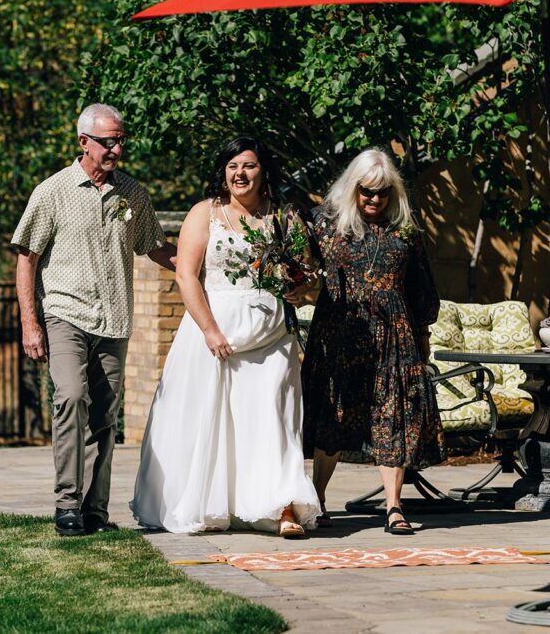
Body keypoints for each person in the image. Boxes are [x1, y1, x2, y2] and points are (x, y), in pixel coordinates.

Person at [130, 137, 321, 537]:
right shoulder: (205, 214)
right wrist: (210, 330)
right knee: (214, 420)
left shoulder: (284, 218)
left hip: (271, 336)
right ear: (223, 173)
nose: (240, 174)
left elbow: (309, 274)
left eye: (249, 166)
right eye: (233, 166)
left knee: (276, 417)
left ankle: (283, 508)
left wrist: (298, 289)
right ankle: (214, 503)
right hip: (215, 334)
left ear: (263, 171)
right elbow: (185, 273)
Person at [12, 103, 177, 536]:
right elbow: (26, 259)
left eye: (121, 140)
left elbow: (153, 246)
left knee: (105, 415)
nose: (116, 149)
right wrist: (31, 324)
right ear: (83, 141)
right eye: (108, 141)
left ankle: (94, 510)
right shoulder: (52, 191)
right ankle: (66, 503)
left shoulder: (132, 194)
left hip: (114, 318)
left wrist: (202, 266)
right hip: (65, 313)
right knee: (70, 397)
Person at [302, 148, 444, 535]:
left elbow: (422, 291)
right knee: (333, 417)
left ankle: (394, 507)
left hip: (395, 338)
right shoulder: (323, 224)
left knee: (392, 418)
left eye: (382, 192)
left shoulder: (406, 232)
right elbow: (297, 272)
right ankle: (317, 498)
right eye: (366, 191)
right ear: (353, 188)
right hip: (339, 333)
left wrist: (423, 339)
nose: (374, 200)